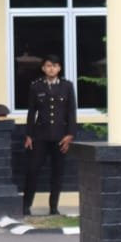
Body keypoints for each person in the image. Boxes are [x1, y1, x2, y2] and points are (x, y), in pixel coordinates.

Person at [22, 55, 77, 216]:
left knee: (57, 172)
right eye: (48, 66)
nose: (51, 68)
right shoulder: (36, 86)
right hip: (40, 135)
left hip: (60, 136)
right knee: (33, 170)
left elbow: (71, 112)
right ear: (43, 68)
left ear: (59, 68)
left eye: (54, 65)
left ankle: (54, 207)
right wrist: (28, 135)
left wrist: (70, 134)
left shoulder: (67, 86)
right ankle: (26, 205)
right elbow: (32, 112)